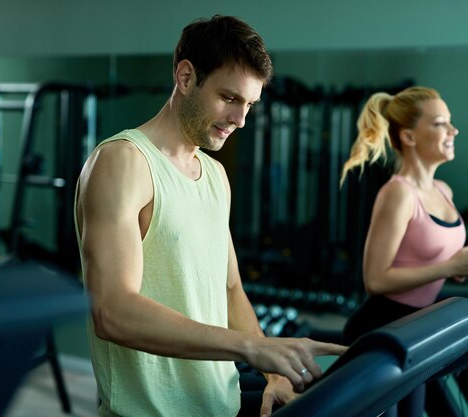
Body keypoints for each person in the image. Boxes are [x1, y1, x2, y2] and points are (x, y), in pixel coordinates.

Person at [74, 15, 346, 417]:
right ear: (186, 77)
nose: (241, 120)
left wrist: (274, 374)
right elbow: (112, 312)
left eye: (250, 104)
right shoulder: (123, 163)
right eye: (230, 98)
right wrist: (253, 347)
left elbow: (231, 290)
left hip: (220, 406)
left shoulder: (215, 176)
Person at [339, 86, 468, 417]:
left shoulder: (443, 190)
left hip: (421, 326)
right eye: (440, 123)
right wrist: (448, 267)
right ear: (410, 137)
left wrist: (454, 266)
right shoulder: (398, 194)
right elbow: (375, 279)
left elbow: (426, 257)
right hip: (383, 329)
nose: (453, 131)